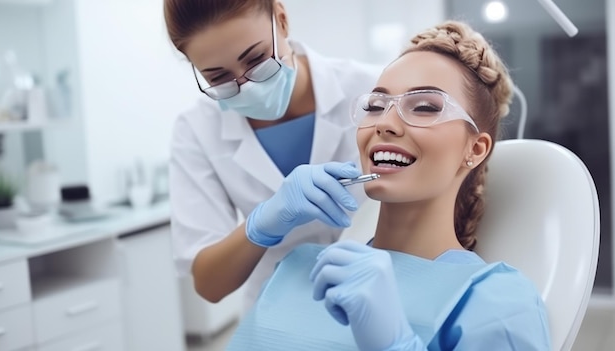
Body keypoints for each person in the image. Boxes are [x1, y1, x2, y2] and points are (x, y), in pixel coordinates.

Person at [226, 20, 551, 350]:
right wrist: (260, 223)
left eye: (425, 107)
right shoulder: (300, 268)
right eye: (375, 106)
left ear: (475, 149)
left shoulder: (497, 302)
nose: (385, 123)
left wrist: (395, 343)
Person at [163, 0, 381, 308]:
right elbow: (209, 284)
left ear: (281, 20)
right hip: (277, 315)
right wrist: (261, 225)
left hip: (380, 297)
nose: (246, 87)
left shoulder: (372, 89)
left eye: (257, 59)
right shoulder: (196, 129)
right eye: (218, 78)